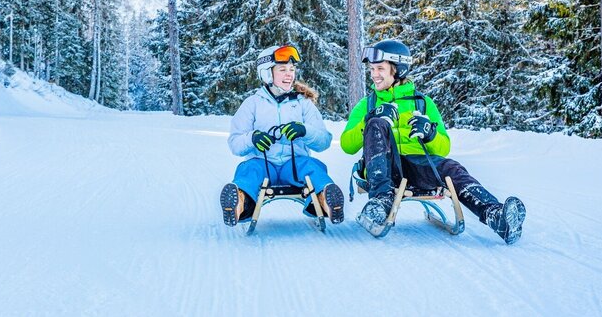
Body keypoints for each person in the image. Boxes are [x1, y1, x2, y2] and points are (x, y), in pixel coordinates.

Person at [341, 39, 526, 244]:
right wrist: (369, 120)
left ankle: (497, 216)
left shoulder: (423, 103)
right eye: (372, 69)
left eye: (380, 68)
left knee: (451, 168)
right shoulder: (367, 104)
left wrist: (429, 134)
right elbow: (347, 146)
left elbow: (443, 147)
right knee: (376, 123)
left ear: (398, 69)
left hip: (418, 165)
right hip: (383, 169)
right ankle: (379, 204)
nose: (374, 74)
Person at [220, 45, 345, 227]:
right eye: (282, 69)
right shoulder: (252, 104)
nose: (289, 74)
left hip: (294, 165)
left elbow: (324, 141)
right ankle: (237, 204)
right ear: (267, 74)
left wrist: (305, 131)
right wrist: (252, 138)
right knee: (248, 171)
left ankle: (327, 200)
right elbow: (235, 144)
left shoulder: (303, 104)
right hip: (262, 165)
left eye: (292, 69)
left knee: (313, 168)